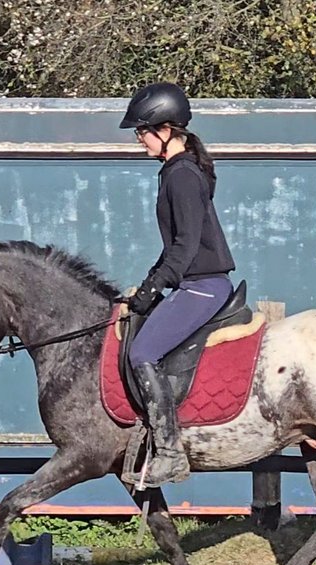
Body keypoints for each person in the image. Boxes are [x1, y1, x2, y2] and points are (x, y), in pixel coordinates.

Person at [119, 82, 236, 487]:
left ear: (165, 129)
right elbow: (173, 247)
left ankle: (170, 453)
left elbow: (186, 247)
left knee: (142, 351)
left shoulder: (182, 175)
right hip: (194, 281)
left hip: (202, 285)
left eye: (141, 132)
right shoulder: (177, 171)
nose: (139, 141)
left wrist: (155, 288)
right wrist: (147, 283)